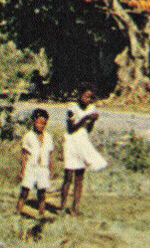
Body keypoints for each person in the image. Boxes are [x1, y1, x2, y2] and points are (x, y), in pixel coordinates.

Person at [58, 85, 107, 215]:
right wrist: (85, 118)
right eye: (85, 96)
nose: (87, 99)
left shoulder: (91, 108)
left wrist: (92, 121)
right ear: (80, 95)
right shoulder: (72, 108)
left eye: (90, 97)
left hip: (82, 141)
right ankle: (62, 206)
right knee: (68, 176)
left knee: (80, 177)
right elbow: (71, 129)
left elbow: (88, 130)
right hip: (71, 142)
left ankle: (75, 208)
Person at [15, 109, 55, 233]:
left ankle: (41, 212)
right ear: (33, 122)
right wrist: (22, 170)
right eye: (38, 123)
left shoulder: (48, 137)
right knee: (25, 189)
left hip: (42, 167)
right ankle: (19, 210)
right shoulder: (29, 136)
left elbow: (50, 154)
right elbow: (24, 155)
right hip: (31, 167)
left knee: (42, 191)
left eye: (44, 123)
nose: (41, 126)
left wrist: (51, 168)